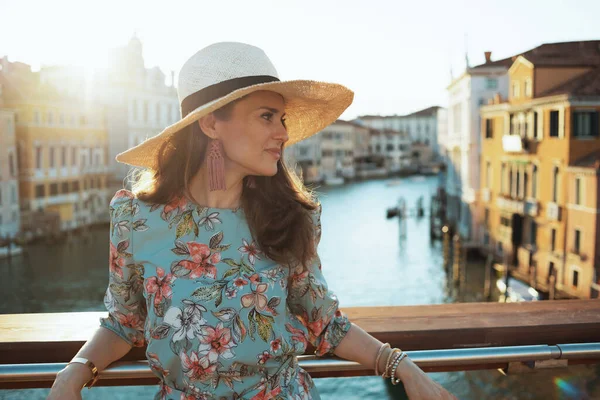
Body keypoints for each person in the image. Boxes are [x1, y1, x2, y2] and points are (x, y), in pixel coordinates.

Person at [48, 42, 457, 400]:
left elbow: (325, 323)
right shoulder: (134, 220)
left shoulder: (292, 217)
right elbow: (125, 322)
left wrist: (402, 366)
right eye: (267, 116)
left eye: (282, 119)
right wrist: (75, 371)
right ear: (211, 123)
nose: (282, 132)